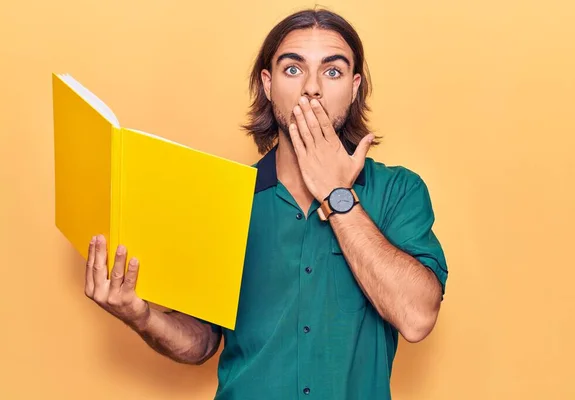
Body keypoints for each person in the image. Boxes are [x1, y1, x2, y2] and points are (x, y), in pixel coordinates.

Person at [83, 7, 449, 400]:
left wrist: (336, 196)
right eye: (293, 69)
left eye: (332, 71)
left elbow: (416, 318)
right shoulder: (224, 199)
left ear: (354, 86)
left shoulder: (399, 191)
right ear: (268, 83)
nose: (312, 88)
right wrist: (141, 316)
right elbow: (202, 342)